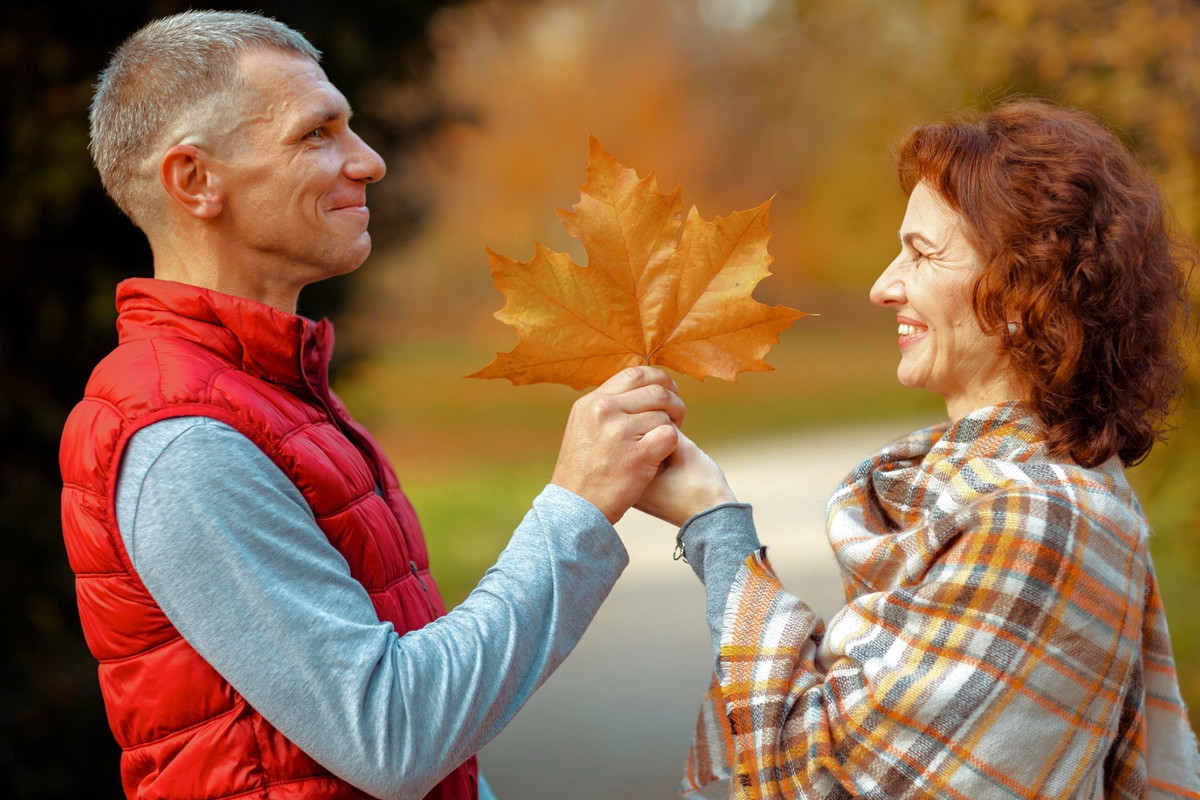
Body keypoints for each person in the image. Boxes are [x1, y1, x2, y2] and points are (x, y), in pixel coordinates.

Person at [59, 11, 685, 800]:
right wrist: (577, 506)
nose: (369, 162)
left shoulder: (271, 393)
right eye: (316, 134)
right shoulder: (180, 439)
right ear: (195, 180)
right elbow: (392, 736)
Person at [639, 99, 1200, 799]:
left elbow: (822, 780)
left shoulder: (1038, 523)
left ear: (1024, 290)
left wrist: (714, 530)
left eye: (923, 254)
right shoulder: (987, 495)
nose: (883, 286)